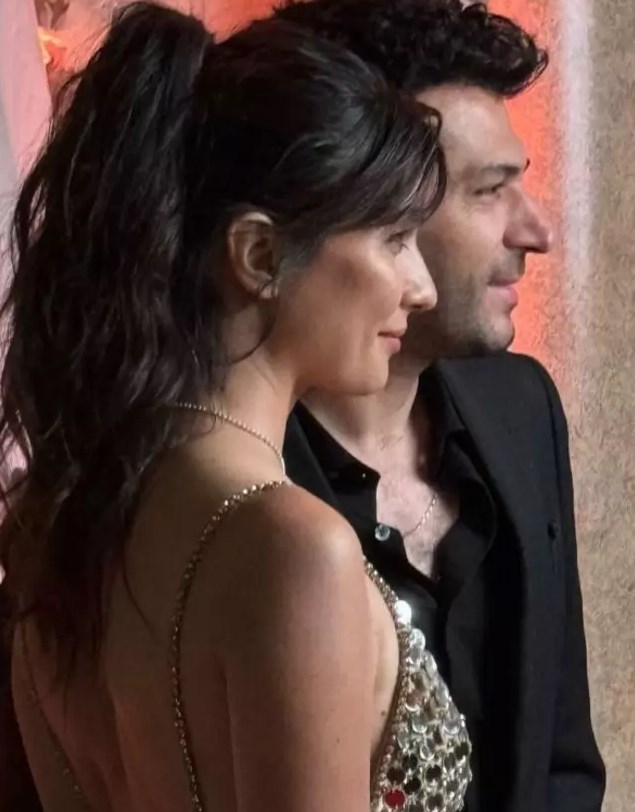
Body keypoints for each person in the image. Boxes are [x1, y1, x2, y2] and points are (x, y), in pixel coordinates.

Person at [0, 3, 477, 811]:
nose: (420, 287)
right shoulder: (293, 549)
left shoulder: (57, 526)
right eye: (394, 239)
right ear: (258, 255)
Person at [274, 2, 606, 811]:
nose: (536, 233)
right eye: (489, 191)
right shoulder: (236, 481)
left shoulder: (520, 407)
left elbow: (563, 765)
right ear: (362, 200)